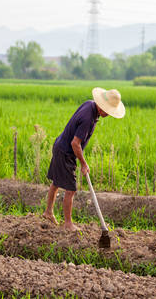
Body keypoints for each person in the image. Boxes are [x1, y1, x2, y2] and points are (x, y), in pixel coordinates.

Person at [42, 87, 125, 231]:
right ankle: (68, 224)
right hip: (66, 152)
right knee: (71, 189)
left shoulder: (89, 104)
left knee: (56, 182)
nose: (109, 115)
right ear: (102, 107)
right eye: (108, 111)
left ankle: (48, 212)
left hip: (60, 146)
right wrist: (83, 164)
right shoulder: (88, 119)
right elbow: (75, 143)